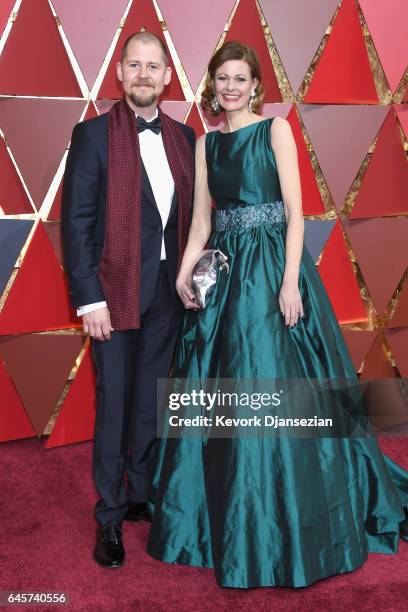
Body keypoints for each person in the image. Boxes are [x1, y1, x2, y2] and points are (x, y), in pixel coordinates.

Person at [146, 41, 408, 588]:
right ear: (213, 86)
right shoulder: (207, 144)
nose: (232, 87)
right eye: (223, 78)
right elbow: (201, 222)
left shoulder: (276, 131)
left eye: (241, 78)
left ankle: (286, 518)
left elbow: (296, 214)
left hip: (270, 271)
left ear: (256, 85)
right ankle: (226, 518)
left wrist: (290, 283)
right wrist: (183, 270)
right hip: (223, 277)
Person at [61, 31, 195, 569]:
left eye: (153, 66)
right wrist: (88, 298)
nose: (143, 74)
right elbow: (77, 222)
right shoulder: (92, 136)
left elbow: (196, 218)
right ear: (121, 73)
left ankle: (141, 492)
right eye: (134, 65)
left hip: (169, 293)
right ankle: (109, 517)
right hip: (113, 295)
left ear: (167, 77)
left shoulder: (186, 138)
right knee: (114, 406)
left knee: (151, 402)